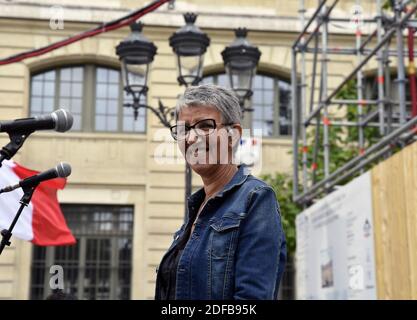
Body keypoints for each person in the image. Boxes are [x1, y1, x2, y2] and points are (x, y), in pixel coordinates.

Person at [155, 84, 287, 300]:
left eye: (205, 126)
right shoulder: (196, 208)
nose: (190, 138)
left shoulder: (255, 198)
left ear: (233, 134)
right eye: (183, 129)